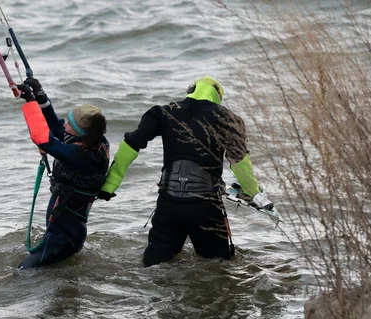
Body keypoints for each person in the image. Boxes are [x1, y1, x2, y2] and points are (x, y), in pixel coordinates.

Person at [97, 76, 273, 267]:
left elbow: (130, 145)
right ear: (218, 97)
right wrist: (253, 193)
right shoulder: (229, 120)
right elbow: (240, 162)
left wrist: (109, 185)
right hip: (206, 207)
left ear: (191, 90)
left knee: (153, 266)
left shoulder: (163, 112)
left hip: (168, 204)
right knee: (219, 267)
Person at [17, 78, 110, 269]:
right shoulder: (95, 142)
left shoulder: (83, 156)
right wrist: (41, 97)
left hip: (63, 237)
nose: (65, 125)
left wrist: (31, 104)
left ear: (79, 132)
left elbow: (44, 140)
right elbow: (57, 129)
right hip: (67, 232)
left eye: (70, 123)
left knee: (22, 273)